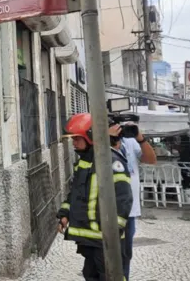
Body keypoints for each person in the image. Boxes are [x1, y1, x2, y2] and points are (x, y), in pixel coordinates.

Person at [57, 113, 133, 281]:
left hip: (104, 240)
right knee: (91, 275)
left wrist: (113, 231)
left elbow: (124, 199)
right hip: (90, 239)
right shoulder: (84, 162)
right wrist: (64, 214)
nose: (74, 143)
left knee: (110, 277)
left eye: (77, 138)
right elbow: (76, 194)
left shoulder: (111, 162)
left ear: (90, 136)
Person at [111, 122, 156, 279]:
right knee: (105, 253)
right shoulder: (101, 141)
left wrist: (140, 138)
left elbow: (151, 160)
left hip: (129, 210)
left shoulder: (130, 142)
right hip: (108, 209)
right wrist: (109, 138)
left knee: (125, 253)